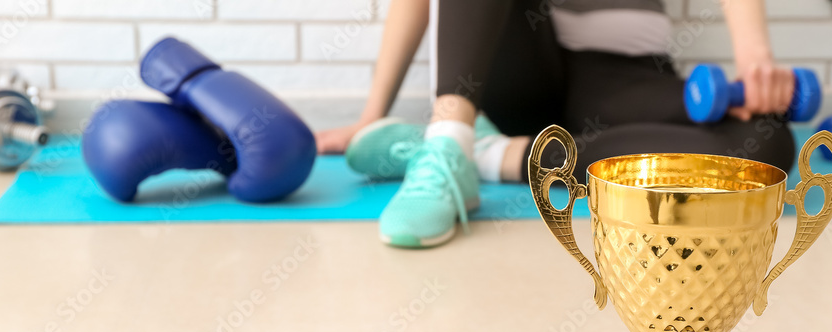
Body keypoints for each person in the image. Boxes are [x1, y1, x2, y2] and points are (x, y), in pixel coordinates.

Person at [317, 0, 798, 249]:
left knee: (763, 143)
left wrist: (755, 63)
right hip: (523, 67)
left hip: (628, 74)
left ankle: (487, 154)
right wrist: (370, 117)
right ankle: (449, 140)